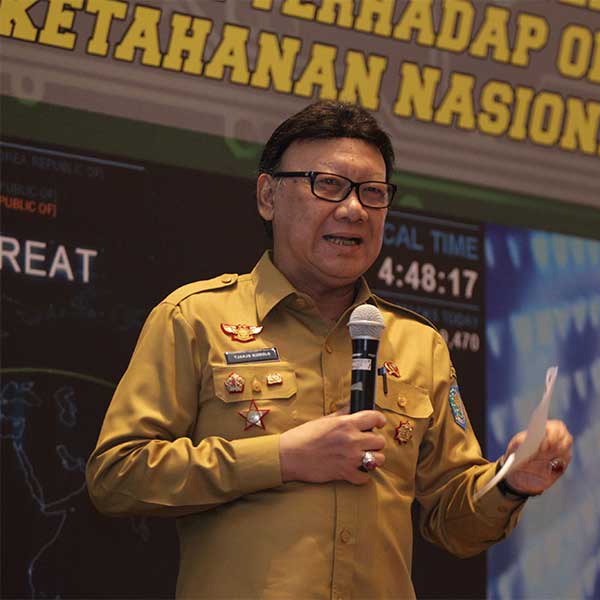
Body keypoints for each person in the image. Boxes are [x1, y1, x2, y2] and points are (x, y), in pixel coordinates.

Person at [86, 101, 573, 599]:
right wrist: (282, 457)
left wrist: (511, 482)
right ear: (268, 196)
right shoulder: (195, 318)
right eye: (329, 185)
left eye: (373, 192)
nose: (354, 209)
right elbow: (117, 476)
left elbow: (456, 524)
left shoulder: (418, 344)